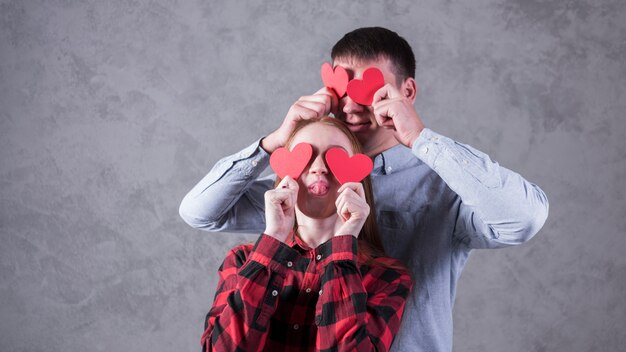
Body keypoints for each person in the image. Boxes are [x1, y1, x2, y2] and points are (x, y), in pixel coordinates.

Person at [181, 27, 549, 351]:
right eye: (340, 88)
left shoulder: (446, 189)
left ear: (407, 91)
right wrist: (275, 141)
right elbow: (199, 211)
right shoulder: (303, 190)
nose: (353, 104)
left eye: (370, 88)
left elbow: (523, 219)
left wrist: (421, 139)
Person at [200, 117, 412, 351]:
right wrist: (273, 239)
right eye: (306, 156)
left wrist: (343, 246)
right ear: (284, 173)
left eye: (335, 158)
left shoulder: (388, 277)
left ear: (356, 177)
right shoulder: (242, 261)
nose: (319, 167)